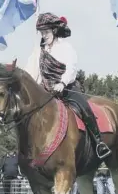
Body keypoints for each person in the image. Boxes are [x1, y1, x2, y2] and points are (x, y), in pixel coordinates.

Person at [24, 12, 111, 159]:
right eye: (41, 32)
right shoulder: (38, 51)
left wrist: (63, 82)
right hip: (45, 91)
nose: (44, 35)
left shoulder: (66, 48)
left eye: (46, 32)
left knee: (84, 107)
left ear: (54, 30)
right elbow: (30, 73)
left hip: (66, 89)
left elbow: (71, 68)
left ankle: (99, 142)